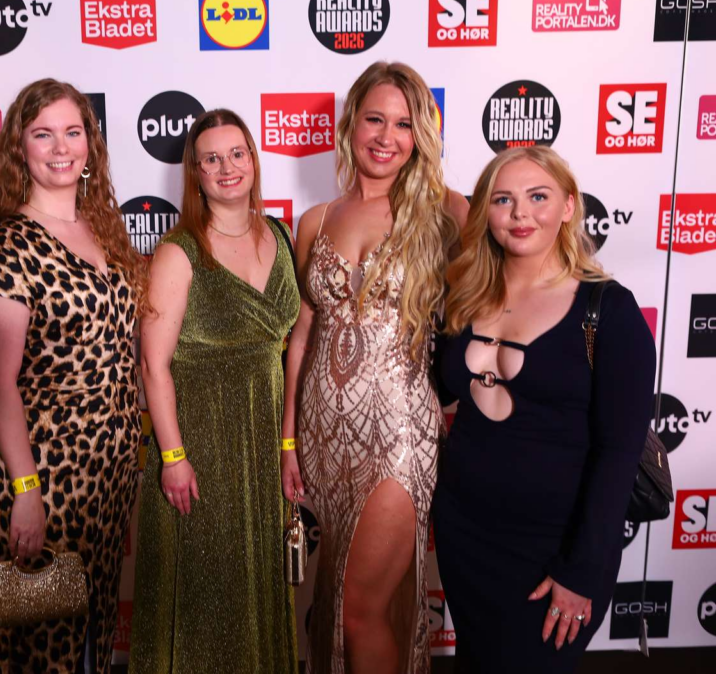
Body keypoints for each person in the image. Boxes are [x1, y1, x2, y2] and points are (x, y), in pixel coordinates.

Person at [431, 146, 656, 673]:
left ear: (569, 206)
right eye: (502, 199)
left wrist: (582, 570)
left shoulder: (608, 309)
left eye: (538, 197)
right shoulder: (465, 294)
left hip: (554, 547)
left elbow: (619, 454)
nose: (520, 214)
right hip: (466, 533)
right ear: (485, 211)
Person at [282, 61, 468, 674]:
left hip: (399, 432)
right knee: (339, 601)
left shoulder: (443, 214)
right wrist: (289, 440)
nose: (387, 136)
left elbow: (504, 282)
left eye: (404, 124)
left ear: (421, 137)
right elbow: (302, 337)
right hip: (323, 435)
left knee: (360, 608)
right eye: (375, 119)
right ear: (351, 125)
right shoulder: (315, 221)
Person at [0, 79, 146, 674]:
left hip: (108, 467)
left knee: (90, 625)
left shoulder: (103, 230)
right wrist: (26, 491)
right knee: (40, 640)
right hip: (43, 464)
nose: (61, 147)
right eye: (43, 134)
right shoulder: (7, 245)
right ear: (20, 148)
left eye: (73, 132)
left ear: (90, 146)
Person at [130, 109, 300, 674]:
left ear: (253, 160)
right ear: (196, 173)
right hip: (200, 444)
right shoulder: (179, 251)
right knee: (207, 595)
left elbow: (291, 348)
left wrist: (287, 443)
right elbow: (153, 364)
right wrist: (173, 457)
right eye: (211, 159)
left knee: (255, 587)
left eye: (237, 154)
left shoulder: (281, 235)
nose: (227, 167)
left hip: (262, 443)